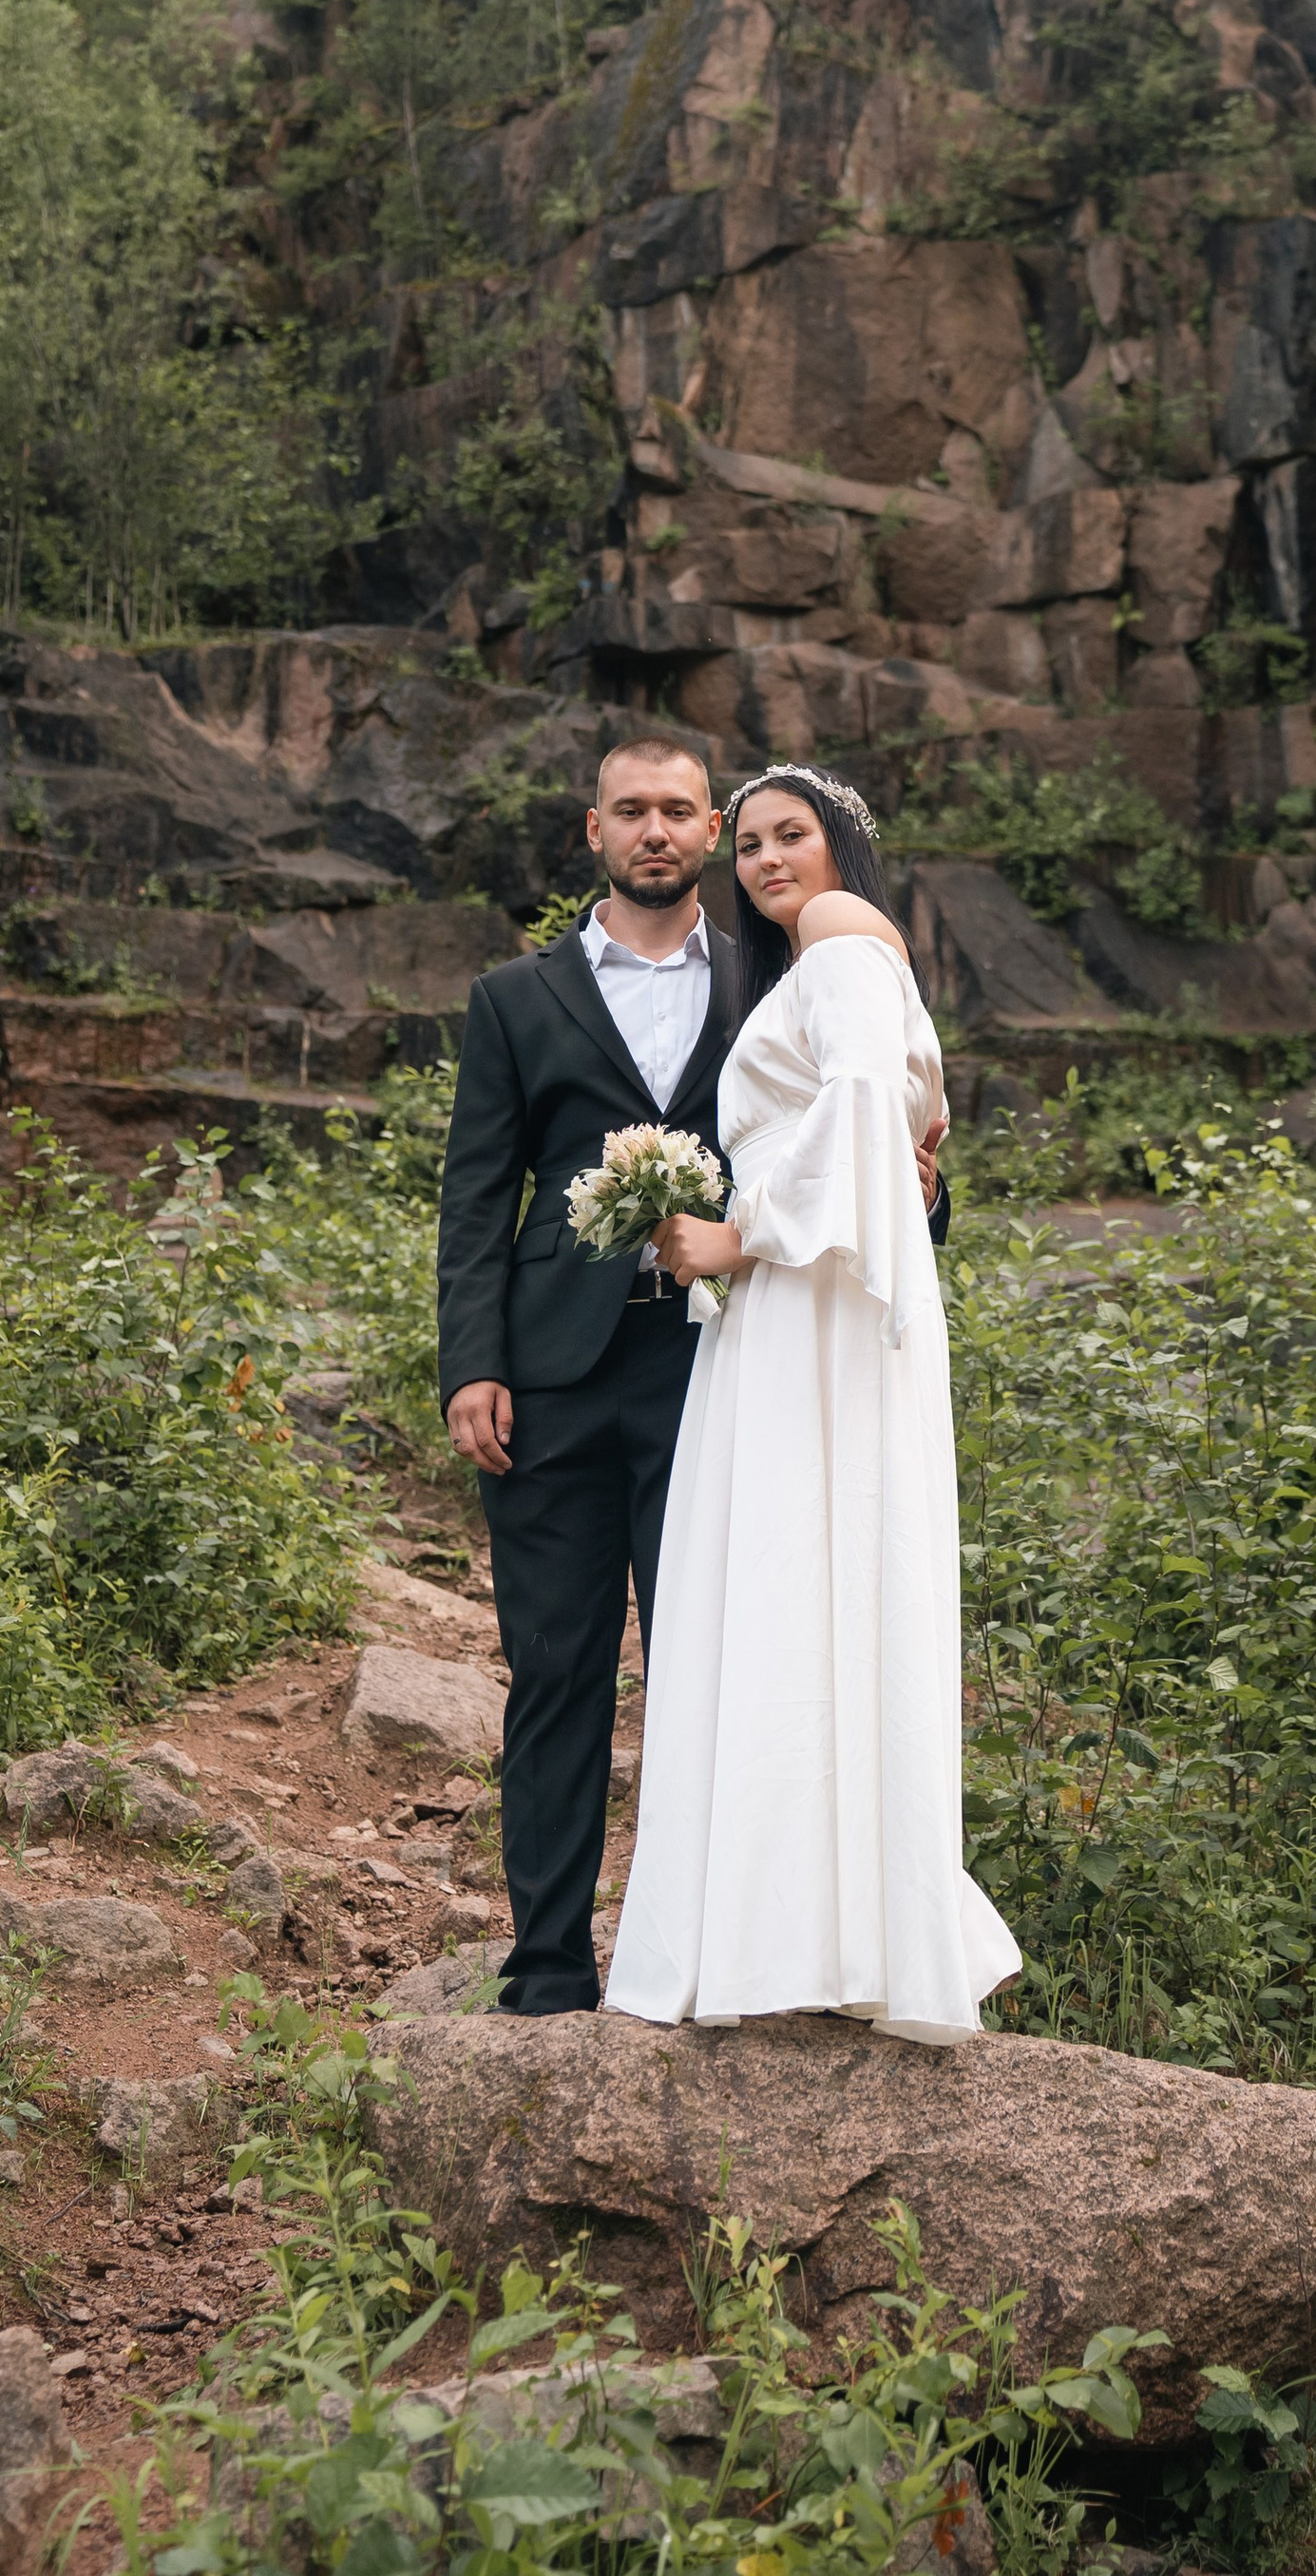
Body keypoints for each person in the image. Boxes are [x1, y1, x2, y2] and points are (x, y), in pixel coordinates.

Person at [434, 736, 945, 2015]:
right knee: (555, 1670)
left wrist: (925, 1198)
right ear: (592, 828)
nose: (655, 831)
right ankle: (550, 1962)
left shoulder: (774, 975)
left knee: (717, 1672)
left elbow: (865, 1122)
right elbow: (477, 1196)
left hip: (719, 1373)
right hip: (549, 1381)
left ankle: (706, 1954)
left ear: (708, 830)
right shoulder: (515, 996)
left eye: (679, 812)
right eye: (630, 812)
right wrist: (472, 1366)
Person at [603, 763, 1020, 2046]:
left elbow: (849, 1113)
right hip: (810, 1312)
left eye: (792, 835)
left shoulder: (841, 935)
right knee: (814, 1589)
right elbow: (902, 1121)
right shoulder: (833, 960)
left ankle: (781, 1934)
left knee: (793, 1577)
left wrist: (740, 1236)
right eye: (750, 843)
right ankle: (822, 1931)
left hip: (807, 1309)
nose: (766, 859)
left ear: (840, 844)